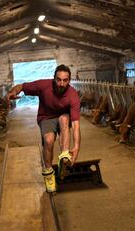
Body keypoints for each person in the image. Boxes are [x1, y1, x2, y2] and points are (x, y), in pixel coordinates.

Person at [7, 64, 81, 192]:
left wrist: (76, 147)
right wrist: (13, 92)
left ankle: (64, 155)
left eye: (65, 80)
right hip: (46, 117)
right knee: (48, 141)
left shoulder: (72, 95)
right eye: (58, 80)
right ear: (54, 78)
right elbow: (22, 86)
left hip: (63, 118)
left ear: (69, 80)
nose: (61, 84)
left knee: (64, 118)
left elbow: (75, 124)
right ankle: (48, 173)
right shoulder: (43, 85)